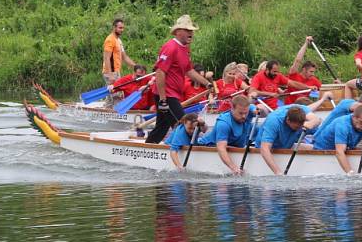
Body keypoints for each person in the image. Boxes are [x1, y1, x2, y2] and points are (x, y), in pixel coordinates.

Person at [146, 15, 214, 144]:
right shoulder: (170, 47)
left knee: (162, 127)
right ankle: (185, 148)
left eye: (191, 31)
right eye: (188, 30)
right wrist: (163, 99)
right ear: (178, 32)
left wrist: (206, 83)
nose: (191, 33)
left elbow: (189, 71)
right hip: (166, 95)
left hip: (174, 95)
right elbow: (160, 72)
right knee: (185, 124)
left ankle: (149, 147)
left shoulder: (185, 49)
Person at [198, 95, 257, 175]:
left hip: (233, 144)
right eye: (240, 113)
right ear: (232, 108)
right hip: (208, 146)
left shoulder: (247, 108)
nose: (243, 116)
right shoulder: (223, 123)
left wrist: (258, 110)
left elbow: (260, 109)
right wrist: (234, 168)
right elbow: (221, 148)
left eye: (245, 113)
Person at [258, 104, 322, 175]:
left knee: (317, 148)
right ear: (288, 120)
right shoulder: (273, 121)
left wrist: (312, 123)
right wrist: (278, 172)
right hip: (266, 147)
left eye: (300, 126)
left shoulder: (302, 110)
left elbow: (318, 120)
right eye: (296, 127)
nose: (298, 128)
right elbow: (264, 149)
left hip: (287, 144)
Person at [314, 105, 362, 174]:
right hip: (321, 151)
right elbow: (339, 152)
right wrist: (350, 173)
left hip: (338, 148)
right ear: (354, 117)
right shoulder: (342, 125)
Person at [286, 36, 322, 104]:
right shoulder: (294, 75)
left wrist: (338, 84)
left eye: (314, 72)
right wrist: (306, 44)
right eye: (311, 72)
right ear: (304, 69)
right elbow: (297, 60)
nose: (313, 74)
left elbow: (324, 90)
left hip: (304, 108)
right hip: (290, 106)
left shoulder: (314, 80)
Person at [102, 18, 135, 85]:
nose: (122, 30)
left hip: (116, 71)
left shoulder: (118, 40)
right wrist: (110, 75)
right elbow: (106, 58)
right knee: (117, 94)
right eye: (120, 28)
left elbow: (124, 57)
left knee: (115, 94)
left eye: (123, 28)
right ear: (114, 27)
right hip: (111, 72)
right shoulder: (110, 40)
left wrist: (136, 66)